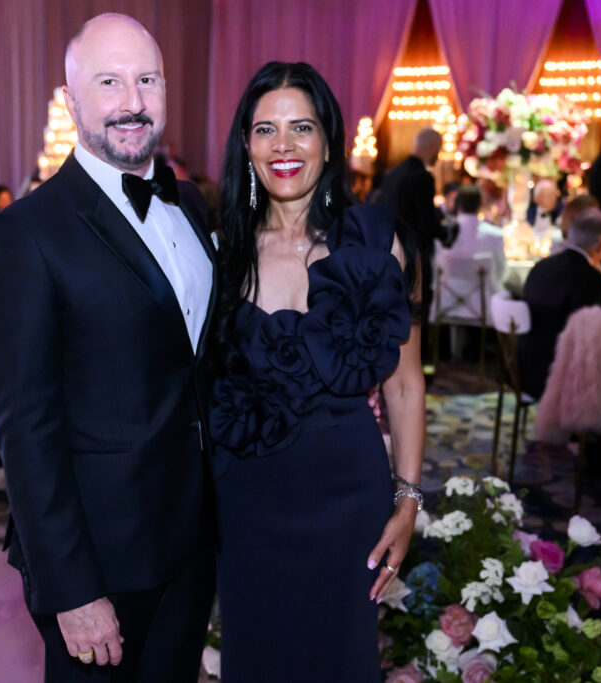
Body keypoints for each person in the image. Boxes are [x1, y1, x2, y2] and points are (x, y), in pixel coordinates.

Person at [0, 14, 215, 682]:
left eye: (147, 80)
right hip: (100, 562)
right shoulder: (23, 235)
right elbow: (25, 426)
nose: (132, 102)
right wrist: (71, 586)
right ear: (71, 99)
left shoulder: (191, 206)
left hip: (192, 545)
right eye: (109, 82)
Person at [210, 61, 423, 682]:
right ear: (245, 146)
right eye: (265, 130)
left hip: (346, 498)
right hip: (246, 499)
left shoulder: (373, 244)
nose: (283, 145)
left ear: (328, 140)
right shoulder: (221, 250)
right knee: (254, 659)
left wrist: (408, 500)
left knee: (342, 660)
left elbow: (405, 384)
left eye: (301, 127)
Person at [519, 209, 601, 398]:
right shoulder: (591, 278)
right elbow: (587, 332)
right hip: (560, 374)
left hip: (523, 366)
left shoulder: (541, 266)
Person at [379, 126, 446, 371]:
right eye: (438, 150)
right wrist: (445, 233)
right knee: (417, 311)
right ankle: (419, 364)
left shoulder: (392, 174)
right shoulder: (423, 177)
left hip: (388, 253)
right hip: (414, 254)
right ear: (431, 148)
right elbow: (426, 223)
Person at [437, 183, 506, 299]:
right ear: (480, 205)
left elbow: (438, 271)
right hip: (484, 305)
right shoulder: (495, 235)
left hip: (447, 303)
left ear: (458, 204)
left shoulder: (443, 234)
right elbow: (501, 271)